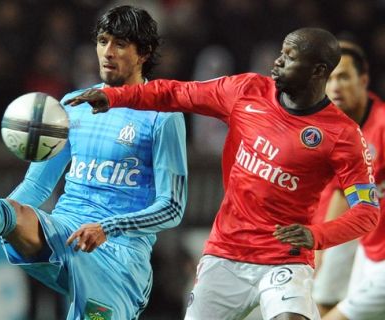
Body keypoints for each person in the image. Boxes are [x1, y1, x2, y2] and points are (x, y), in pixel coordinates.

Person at [65, 28, 380, 320]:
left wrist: (316, 235)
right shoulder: (246, 92)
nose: (278, 61)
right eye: (281, 52)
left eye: (290, 56)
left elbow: (367, 212)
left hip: (285, 259)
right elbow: (174, 93)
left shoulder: (342, 135)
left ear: (319, 71)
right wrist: (116, 97)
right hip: (226, 254)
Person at [0, 5, 188, 319]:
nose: (107, 52)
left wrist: (107, 227)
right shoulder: (73, 106)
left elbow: (172, 207)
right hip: (64, 232)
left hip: (119, 258)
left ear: (144, 52)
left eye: (119, 44)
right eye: (103, 41)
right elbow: (36, 185)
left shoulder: (162, 116)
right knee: (17, 215)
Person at [316, 43, 385, 320]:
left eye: (343, 76)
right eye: (329, 78)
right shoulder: (328, 124)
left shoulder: (380, 126)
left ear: (363, 80)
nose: (335, 86)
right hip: (364, 238)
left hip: (351, 230)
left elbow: (344, 194)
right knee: (322, 302)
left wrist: (318, 247)